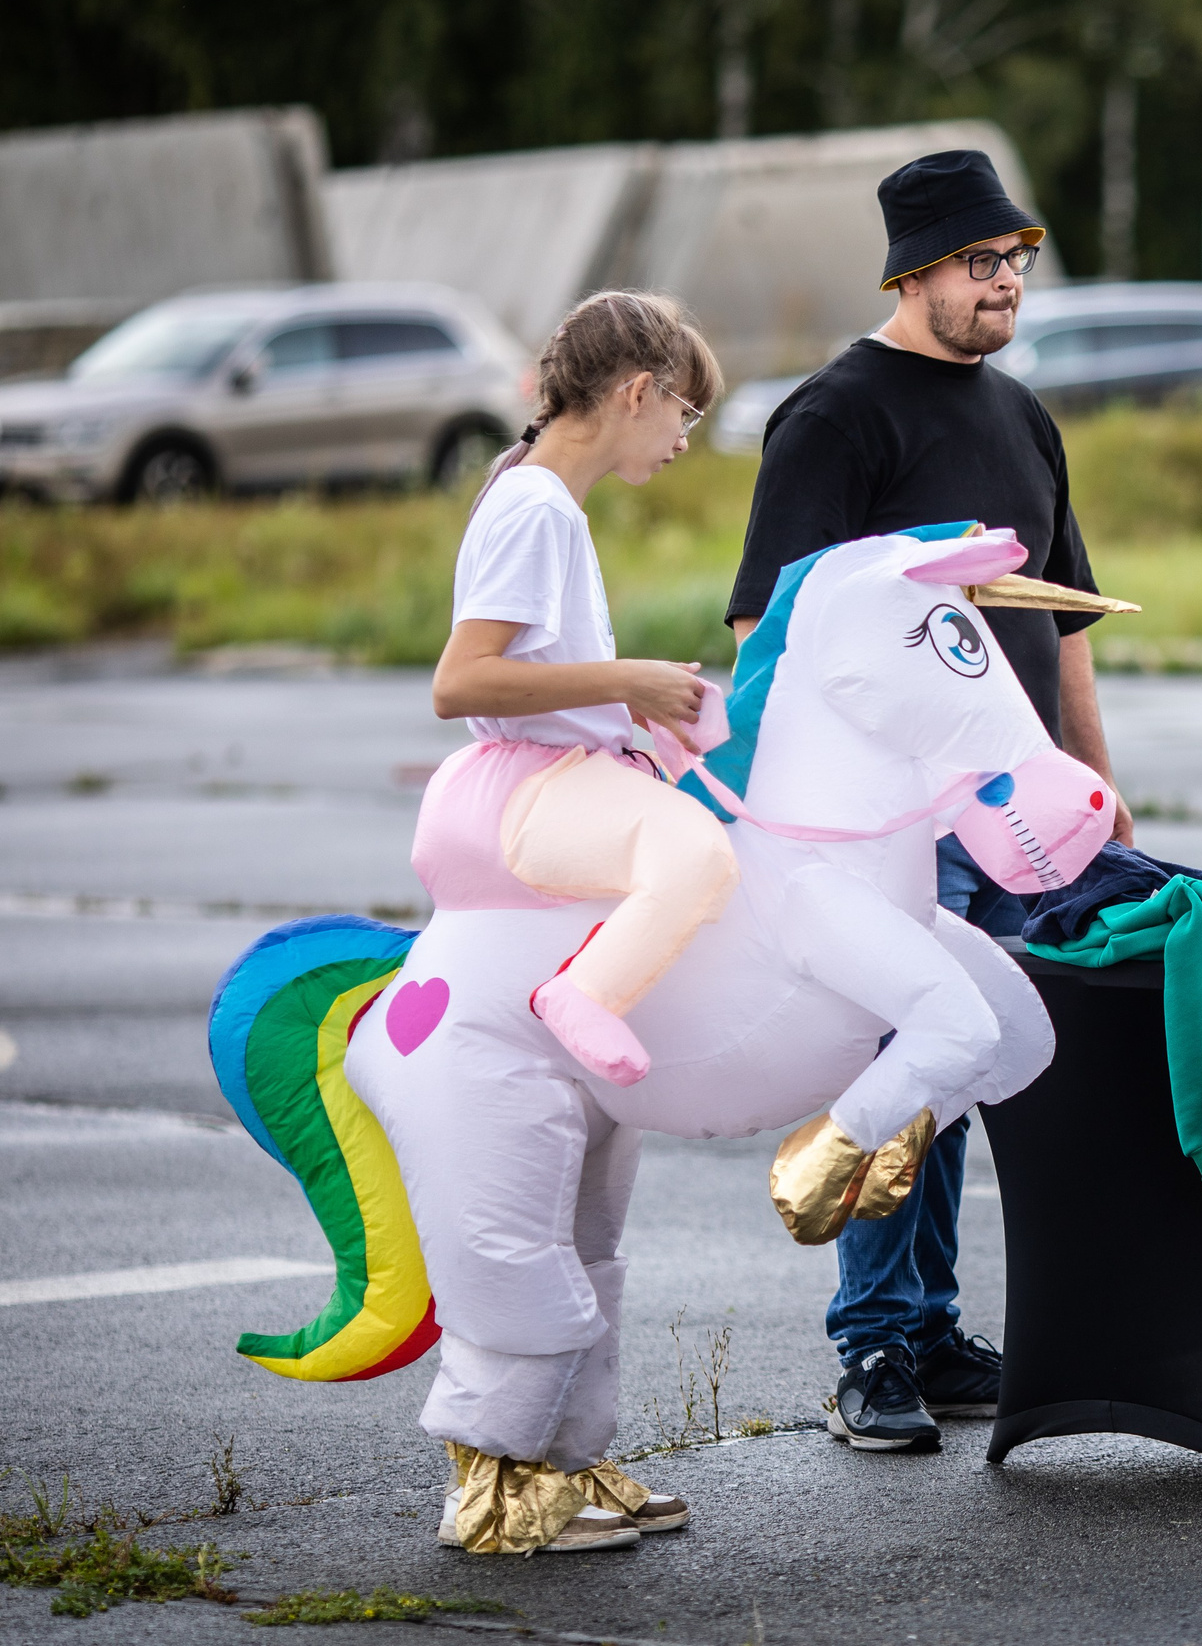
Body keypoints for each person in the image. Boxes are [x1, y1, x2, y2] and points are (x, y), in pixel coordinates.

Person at [723, 148, 1130, 1457]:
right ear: (912, 272)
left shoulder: (1022, 418)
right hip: (879, 822)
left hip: (1006, 812)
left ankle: (935, 1324)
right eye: (979, 262)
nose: (1005, 281)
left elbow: (1065, 627)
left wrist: (1095, 782)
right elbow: (762, 626)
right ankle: (877, 1346)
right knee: (907, 1054)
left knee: (974, 1068)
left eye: (1017, 259)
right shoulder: (836, 417)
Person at [425, 290, 737, 1092]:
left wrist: (628, 703)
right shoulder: (538, 508)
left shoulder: (537, 495)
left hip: (546, 772)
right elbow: (460, 682)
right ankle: (583, 993)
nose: (682, 442)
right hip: (537, 785)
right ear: (638, 393)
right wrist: (623, 678)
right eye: (685, 415)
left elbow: (528, 672)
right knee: (698, 852)